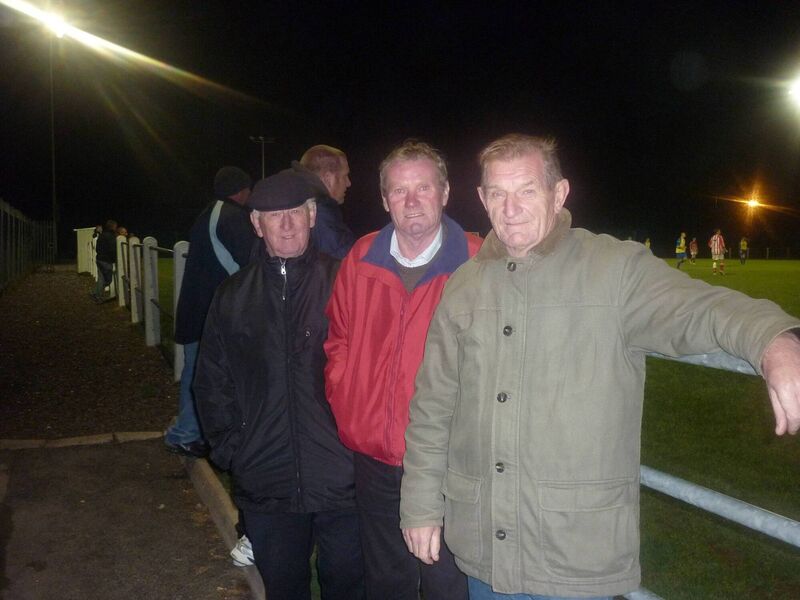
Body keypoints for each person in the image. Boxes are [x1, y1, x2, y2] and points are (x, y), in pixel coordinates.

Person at [399, 133, 800, 600]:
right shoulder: (463, 286)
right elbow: (433, 408)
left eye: (527, 190)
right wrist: (421, 507)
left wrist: (773, 338)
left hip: (574, 555)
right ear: (482, 199)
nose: (511, 209)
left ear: (559, 193)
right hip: (486, 551)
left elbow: (697, 308)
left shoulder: (614, 269)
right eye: (498, 194)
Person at [194, 169, 364, 600]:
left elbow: (374, 373)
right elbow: (211, 381)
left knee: (348, 584)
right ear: (256, 224)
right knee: (284, 588)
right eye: (273, 215)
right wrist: (234, 449)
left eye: (295, 212)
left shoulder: (346, 283)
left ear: (311, 217)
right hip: (266, 480)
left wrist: (359, 446)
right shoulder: (233, 296)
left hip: (342, 478)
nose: (286, 224)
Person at [324, 140, 481, 600]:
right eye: (399, 191)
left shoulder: (476, 261)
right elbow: (339, 338)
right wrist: (349, 402)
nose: (411, 201)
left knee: (445, 580)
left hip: (448, 459)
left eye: (423, 188)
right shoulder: (362, 256)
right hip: (374, 457)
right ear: (385, 199)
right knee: (386, 579)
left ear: (445, 192)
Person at [165, 166, 255, 459]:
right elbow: (250, 262)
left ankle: (188, 431)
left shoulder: (210, 213)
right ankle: (187, 434)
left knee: (197, 373)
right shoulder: (231, 217)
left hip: (197, 312)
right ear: (241, 190)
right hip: (209, 315)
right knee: (203, 375)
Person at [290, 144, 356, 259]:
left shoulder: (298, 202)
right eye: (345, 176)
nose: (348, 183)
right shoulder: (320, 216)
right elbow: (349, 264)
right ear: (328, 178)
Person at [91, 219, 117, 303]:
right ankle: (97, 296)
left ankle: (95, 293)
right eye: (115, 226)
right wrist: (114, 259)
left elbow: (97, 248)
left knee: (101, 278)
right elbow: (112, 249)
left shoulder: (102, 235)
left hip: (99, 259)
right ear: (113, 227)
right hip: (106, 261)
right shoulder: (111, 236)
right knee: (108, 280)